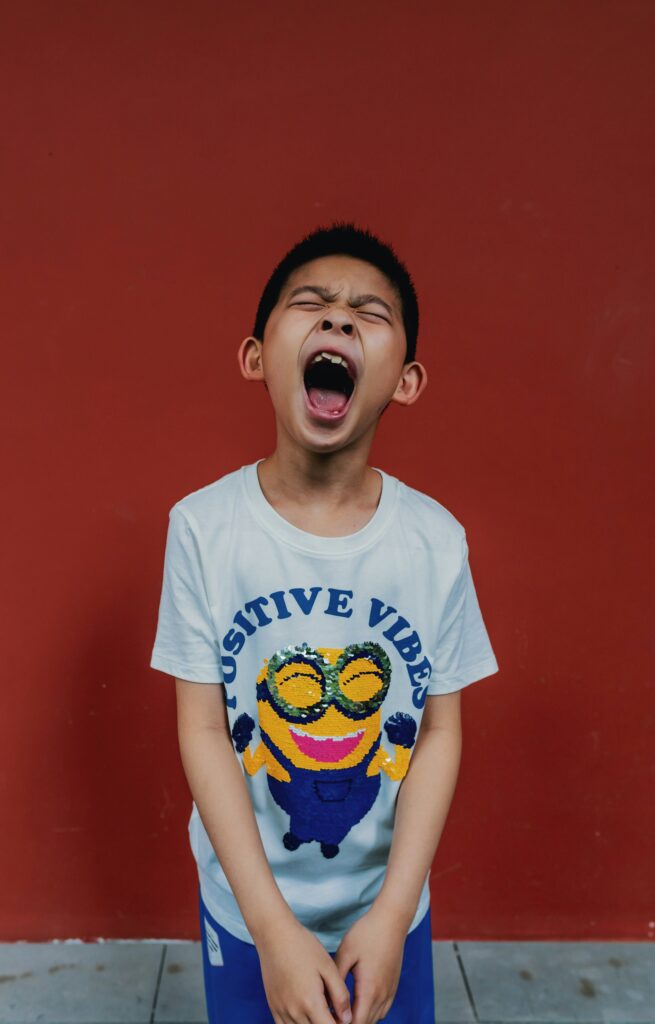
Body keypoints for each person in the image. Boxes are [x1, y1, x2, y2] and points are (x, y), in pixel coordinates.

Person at [150, 222, 499, 1024]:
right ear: (254, 357)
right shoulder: (203, 527)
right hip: (245, 911)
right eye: (311, 304)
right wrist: (270, 928)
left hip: (387, 914)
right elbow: (204, 728)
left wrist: (391, 913)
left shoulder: (434, 542)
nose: (338, 319)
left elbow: (439, 732)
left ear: (406, 381)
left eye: (367, 313)